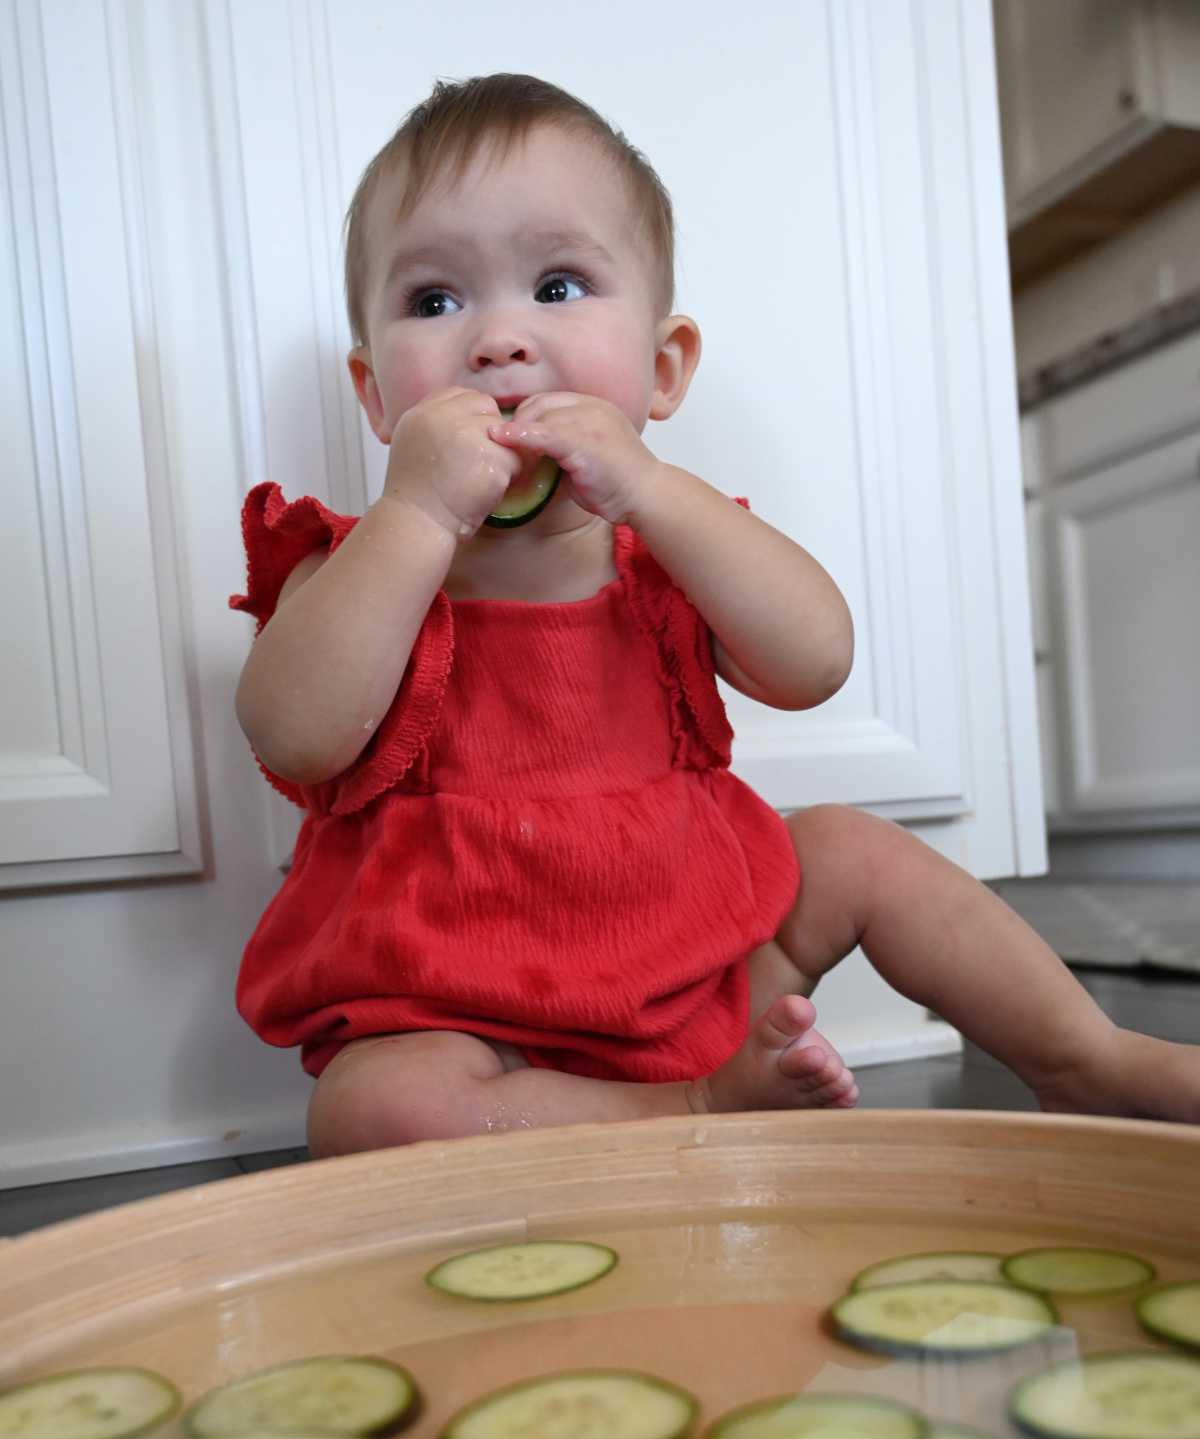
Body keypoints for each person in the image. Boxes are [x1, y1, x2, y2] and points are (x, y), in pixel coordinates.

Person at [231, 73, 1200, 1158]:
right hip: (484, 1046)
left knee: (855, 852)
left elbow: (816, 660)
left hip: (694, 981)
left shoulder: (672, 552)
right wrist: (411, 512)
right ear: (374, 395)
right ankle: (692, 1110)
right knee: (366, 1111)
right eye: (435, 303)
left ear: (661, 369)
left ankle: (1088, 1060)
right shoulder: (353, 568)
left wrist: (652, 490)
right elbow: (293, 729)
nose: (500, 339)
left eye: (557, 285)